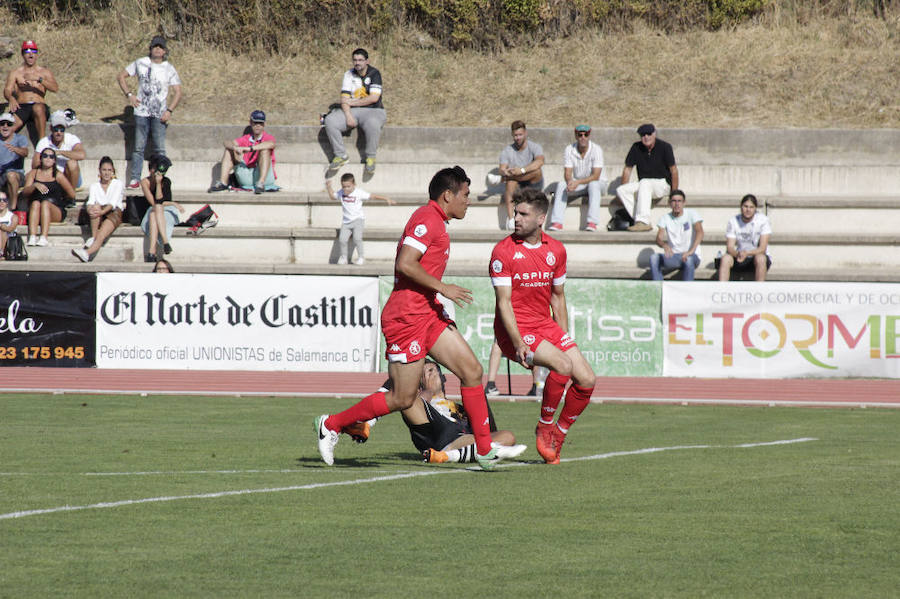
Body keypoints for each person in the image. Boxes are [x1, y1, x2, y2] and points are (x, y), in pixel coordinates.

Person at [314, 166, 511, 470]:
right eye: (465, 194)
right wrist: (443, 288)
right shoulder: (427, 219)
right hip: (406, 318)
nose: (468, 200)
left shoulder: (438, 222)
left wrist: (438, 298)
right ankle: (331, 424)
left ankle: (483, 450)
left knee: (472, 371)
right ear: (448, 195)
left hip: (428, 313)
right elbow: (406, 263)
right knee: (402, 398)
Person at [490, 187, 597, 464]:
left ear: (541, 218)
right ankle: (545, 426)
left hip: (544, 325)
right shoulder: (503, 251)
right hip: (515, 330)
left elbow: (558, 297)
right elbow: (504, 303)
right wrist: (518, 343)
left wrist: (563, 337)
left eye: (523, 214)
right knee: (562, 365)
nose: (516, 218)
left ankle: (559, 434)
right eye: (516, 212)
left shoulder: (556, 250)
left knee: (587, 379)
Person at [116, 35, 182, 188]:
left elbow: (178, 92)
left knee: (159, 148)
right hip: (141, 113)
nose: (157, 50)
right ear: (150, 49)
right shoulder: (141, 62)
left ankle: (160, 179)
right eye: (155, 47)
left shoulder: (169, 68)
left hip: (159, 114)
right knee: (138, 148)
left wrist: (169, 110)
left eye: (160, 47)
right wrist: (130, 95)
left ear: (164, 51)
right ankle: (135, 179)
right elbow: (121, 76)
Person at [323, 48, 385, 175]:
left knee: (373, 124)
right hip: (353, 111)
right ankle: (341, 156)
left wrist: (352, 102)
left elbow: (373, 98)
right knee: (330, 120)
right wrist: (348, 115)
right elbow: (344, 98)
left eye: (361, 60)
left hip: (374, 110)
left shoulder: (375, 74)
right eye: (355, 60)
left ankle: (371, 158)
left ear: (367, 61)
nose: (357, 63)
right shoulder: (348, 74)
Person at [616, 124, 678, 232]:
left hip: (662, 184)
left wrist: (674, 193)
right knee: (621, 190)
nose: (646, 137)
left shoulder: (665, 147)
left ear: (654, 134)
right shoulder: (636, 147)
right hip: (644, 185)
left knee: (645, 182)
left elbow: (674, 170)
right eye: (643, 135)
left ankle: (643, 221)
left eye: (649, 134)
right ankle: (641, 220)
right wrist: (622, 198)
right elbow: (627, 170)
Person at [325, 172, 394, 265]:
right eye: (344, 187)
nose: (346, 189)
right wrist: (329, 187)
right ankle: (344, 257)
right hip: (346, 222)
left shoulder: (359, 193)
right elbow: (333, 197)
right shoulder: (341, 192)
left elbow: (372, 196)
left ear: (354, 184)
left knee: (357, 238)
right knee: (342, 239)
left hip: (358, 220)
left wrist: (386, 199)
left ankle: (361, 257)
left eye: (348, 186)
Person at [487, 120, 544, 230]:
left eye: (520, 135)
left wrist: (521, 170)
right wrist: (506, 172)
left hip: (533, 183)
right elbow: (502, 169)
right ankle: (511, 220)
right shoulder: (507, 150)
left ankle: (502, 179)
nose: (518, 138)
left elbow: (540, 162)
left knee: (537, 171)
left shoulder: (535, 147)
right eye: (515, 135)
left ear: (525, 133)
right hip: (517, 184)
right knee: (510, 182)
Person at [549, 124, 608, 232]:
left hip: (599, 184)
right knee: (561, 185)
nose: (583, 137)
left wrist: (577, 182)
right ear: (576, 136)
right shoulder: (569, 149)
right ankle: (557, 222)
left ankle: (592, 222)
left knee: (593, 185)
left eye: (586, 135)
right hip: (580, 185)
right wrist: (570, 182)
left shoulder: (596, 149)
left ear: (589, 136)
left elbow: (596, 176)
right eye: (580, 135)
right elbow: (567, 172)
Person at [207, 109, 279, 194]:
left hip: (264, 177)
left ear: (264, 124)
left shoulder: (268, 137)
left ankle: (261, 183)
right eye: (255, 122)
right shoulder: (246, 138)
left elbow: (271, 144)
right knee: (229, 150)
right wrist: (235, 148)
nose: (258, 125)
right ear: (251, 123)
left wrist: (249, 148)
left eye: (260, 123)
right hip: (247, 175)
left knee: (265, 151)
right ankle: (223, 183)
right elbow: (226, 143)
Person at [3, 40, 58, 142]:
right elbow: (7, 89)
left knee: (38, 108)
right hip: (22, 106)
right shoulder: (15, 73)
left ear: (37, 55)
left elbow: (55, 88)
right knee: (7, 128)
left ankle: (42, 144)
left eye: (33, 51)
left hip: (39, 105)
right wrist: (11, 98)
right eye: (27, 51)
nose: (31, 54)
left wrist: (39, 79)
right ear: (22, 54)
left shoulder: (44, 72)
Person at [72, 157, 124, 263]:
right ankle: (93, 237)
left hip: (113, 212)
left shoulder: (118, 183)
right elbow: (90, 202)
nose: (107, 173)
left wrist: (102, 212)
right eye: (104, 170)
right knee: (94, 207)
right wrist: (90, 210)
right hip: (99, 212)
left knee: (102, 233)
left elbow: (113, 203)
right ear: (99, 170)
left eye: (109, 170)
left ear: (113, 171)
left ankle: (87, 253)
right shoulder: (94, 186)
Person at [21, 147, 75, 246]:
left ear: (54, 160)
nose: (48, 158)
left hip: (55, 209)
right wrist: (34, 185)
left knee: (45, 203)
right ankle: (32, 237)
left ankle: (43, 237)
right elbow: (24, 193)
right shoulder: (33, 173)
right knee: (35, 203)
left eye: (51, 156)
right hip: (37, 208)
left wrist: (62, 197)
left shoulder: (58, 175)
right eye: (45, 156)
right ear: (41, 158)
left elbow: (72, 194)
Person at [649, 189, 704, 281]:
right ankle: (659, 287)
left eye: (679, 201)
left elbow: (700, 232)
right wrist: (664, 245)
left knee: (689, 260)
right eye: (674, 201)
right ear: (669, 203)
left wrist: (691, 251)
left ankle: (687, 289)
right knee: (654, 258)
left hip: (691, 255)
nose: (677, 204)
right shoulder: (665, 218)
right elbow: (658, 238)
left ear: (684, 203)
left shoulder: (692, 214)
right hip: (674, 256)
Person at [718, 193, 772, 281]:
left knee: (761, 258)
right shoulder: (733, 221)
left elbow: (762, 248)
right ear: (741, 207)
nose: (748, 210)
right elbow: (730, 247)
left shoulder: (763, 221)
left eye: (751, 207)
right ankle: (722, 288)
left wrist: (747, 253)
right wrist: (738, 254)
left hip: (756, 256)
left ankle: (760, 288)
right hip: (739, 255)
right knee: (725, 259)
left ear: (755, 208)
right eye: (745, 206)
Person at [140, 154, 184, 262]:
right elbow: (154, 202)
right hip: (153, 209)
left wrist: (159, 184)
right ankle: (165, 242)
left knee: (155, 212)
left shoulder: (166, 181)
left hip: (166, 212)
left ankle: (151, 253)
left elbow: (161, 201)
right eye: (153, 169)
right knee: (154, 211)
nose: (155, 172)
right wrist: (173, 203)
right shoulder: (144, 182)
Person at [32, 110, 85, 190]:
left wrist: (60, 152)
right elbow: (34, 165)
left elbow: (81, 155)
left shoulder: (72, 139)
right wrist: (47, 159)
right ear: (51, 128)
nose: (59, 132)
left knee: (72, 163)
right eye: (56, 129)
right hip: (53, 177)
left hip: (70, 178)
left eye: (62, 129)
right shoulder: (43, 142)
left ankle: (71, 193)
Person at [0, 112, 28, 209]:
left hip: (17, 175)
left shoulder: (20, 139)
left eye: (9, 124)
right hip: (1, 175)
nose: (5, 126)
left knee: (11, 175)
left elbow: (25, 152)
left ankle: (13, 207)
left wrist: (15, 149)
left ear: (13, 126)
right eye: (2, 124)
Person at [0, 192, 20, 258]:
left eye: (4, 200)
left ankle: (1, 253)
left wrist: (1, 226)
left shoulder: (13, 217)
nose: (2, 202)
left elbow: (11, 229)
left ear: (7, 202)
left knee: (2, 231)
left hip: (9, 243)